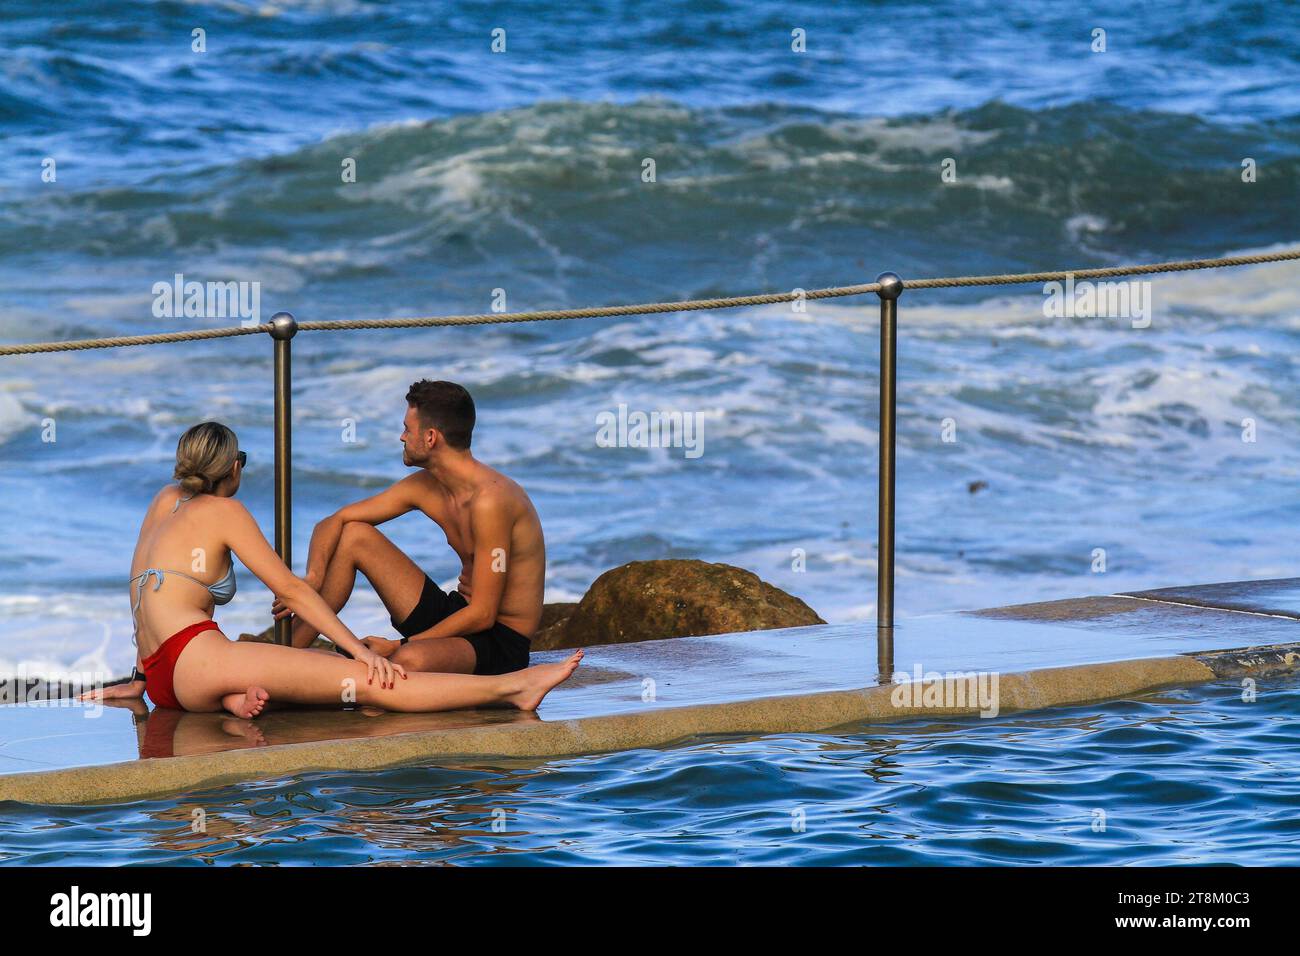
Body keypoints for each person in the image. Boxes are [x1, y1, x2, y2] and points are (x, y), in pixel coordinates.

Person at [79, 421, 581, 717]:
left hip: (164, 681)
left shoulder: (164, 501)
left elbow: (141, 594)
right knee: (367, 682)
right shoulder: (224, 511)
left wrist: (140, 679)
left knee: (277, 676)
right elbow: (292, 593)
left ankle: (236, 700)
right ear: (233, 468)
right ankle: (514, 688)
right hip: (196, 662)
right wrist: (360, 652)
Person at [274, 380, 544, 677]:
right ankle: (282, 660)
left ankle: (336, 666)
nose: (402, 437)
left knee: (407, 661)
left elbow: (483, 614)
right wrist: (312, 578)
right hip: (456, 614)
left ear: (430, 438)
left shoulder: (491, 502)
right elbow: (334, 522)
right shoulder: (427, 486)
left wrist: (399, 644)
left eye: (407, 429)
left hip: (499, 638)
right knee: (354, 535)